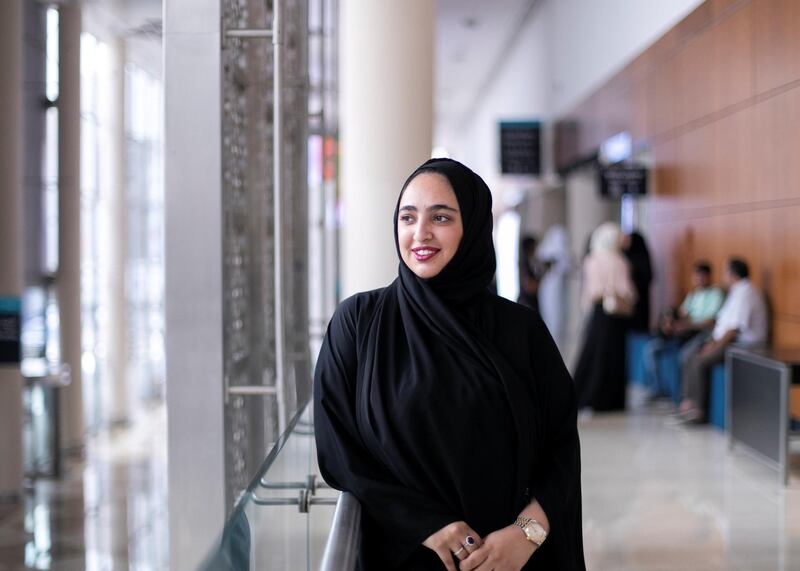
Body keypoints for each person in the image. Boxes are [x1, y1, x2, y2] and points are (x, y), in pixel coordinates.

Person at [314, 158, 585, 571]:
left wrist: (526, 534)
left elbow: (561, 446)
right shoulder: (360, 323)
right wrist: (429, 525)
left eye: (440, 217)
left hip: (509, 561)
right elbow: (339, 451)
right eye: (408, 217)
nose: (420, 233)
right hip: (402, 554)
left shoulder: (519, 329)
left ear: (473, 227)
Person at [677, 258, 768, 423]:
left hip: (745, 345)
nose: (723, 275)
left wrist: (713, 347)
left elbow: (733, 330)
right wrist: (712, 342)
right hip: (728, 340)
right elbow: (723, 325)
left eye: (726, 271)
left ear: (733, 274)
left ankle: (697, 411)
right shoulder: (737, 291)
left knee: (699, 360)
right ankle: (687, 402)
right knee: (691, 355)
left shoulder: (747, 293)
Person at [573, 222, 637, 412]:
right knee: (614, 356)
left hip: (599, 313)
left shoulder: (592, 260)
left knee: (594, 354)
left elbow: (590, 292)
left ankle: (588, 396)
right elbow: (628, 292)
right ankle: (612, 400)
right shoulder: (621, 261)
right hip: (616, 315)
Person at [642, 261, 725, 398]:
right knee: (650, 349)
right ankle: (658, 389)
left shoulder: (715, 294)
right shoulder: (693, 296)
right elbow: (682, 314)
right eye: (696, 276)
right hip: (683, 334)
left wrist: (687, 325)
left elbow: (711, 322)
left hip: (702, 334)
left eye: (701, 276)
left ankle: (683, 398)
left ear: (709, 276)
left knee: (684, 356)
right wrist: (670, 321)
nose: (698, 280)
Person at [536, 225, 573, 351]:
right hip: (551, 291)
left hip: (560, 292)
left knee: (560, 319)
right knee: (552, 319)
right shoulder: (548, 251)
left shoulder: (561, 253)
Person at [622, 230, 654, 332]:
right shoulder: (625, 256)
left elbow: (647, 278)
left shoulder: (640, 257)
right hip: (631, 300)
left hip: (639, 300)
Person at [517, 235, 550, 313]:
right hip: (528, 305)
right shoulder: (525, 265)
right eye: (534, 246)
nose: (536, 249)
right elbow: (531, 287)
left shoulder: (531, 262)